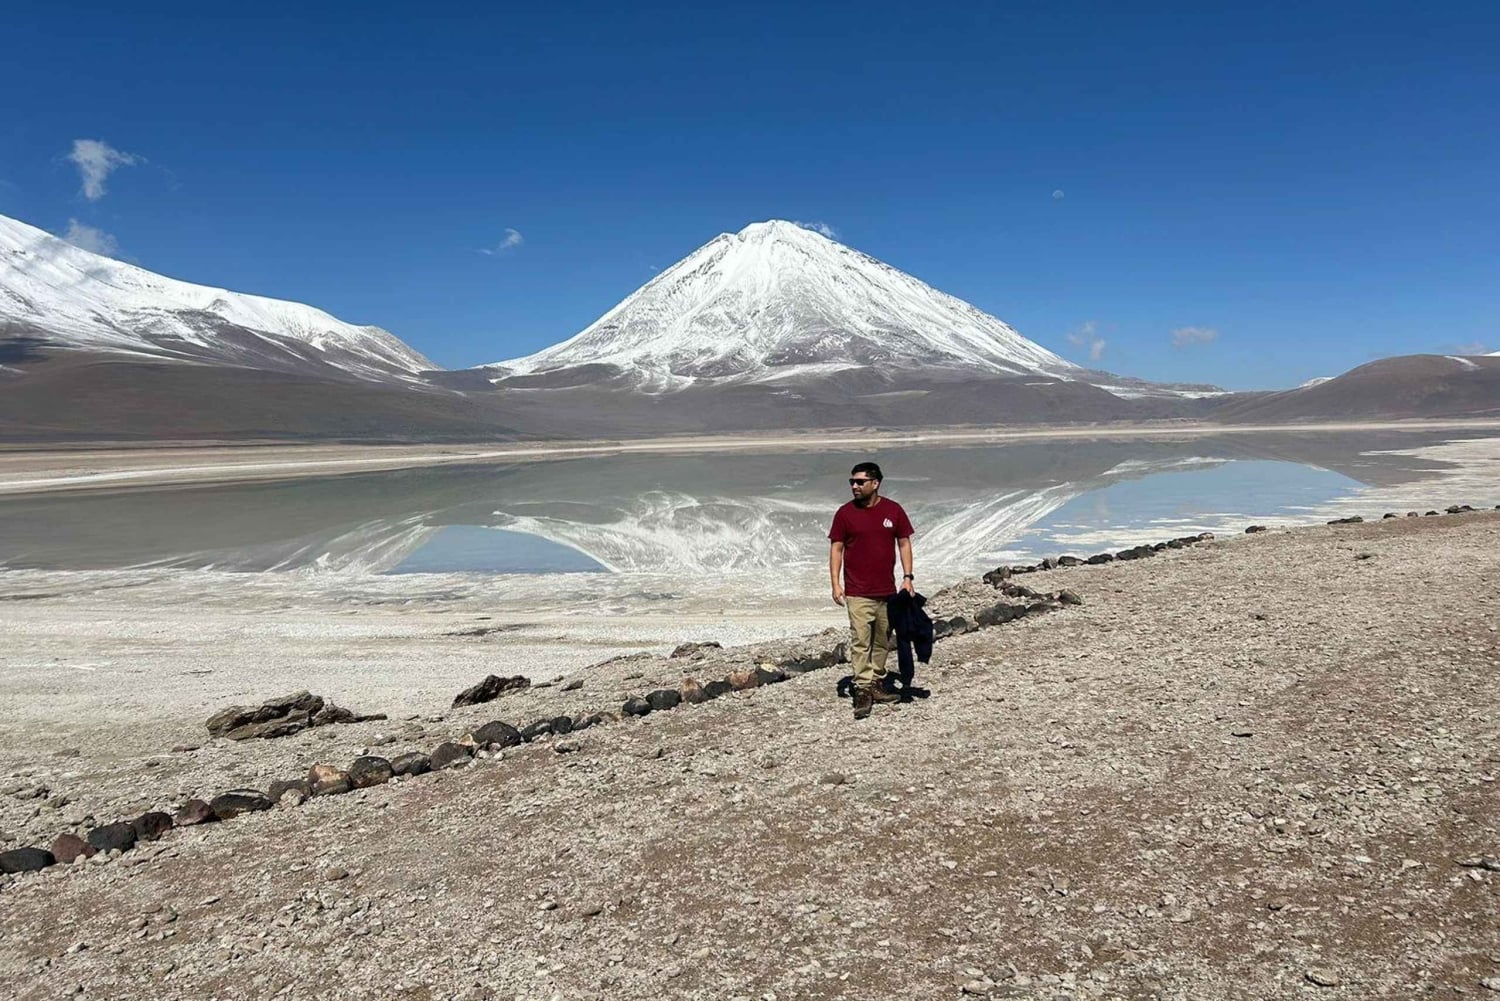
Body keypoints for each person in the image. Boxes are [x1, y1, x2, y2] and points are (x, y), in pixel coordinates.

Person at [828, 461, 915, 720]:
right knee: (860, 641)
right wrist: (835, 583)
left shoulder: (893, 510)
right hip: (857, 592)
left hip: (886, 590)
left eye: (860, 482)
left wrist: (908, 577)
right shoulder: (845, 514)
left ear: (875, 483)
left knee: (881, 640)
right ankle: (863, 689)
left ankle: (877, 682)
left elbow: (904, 543)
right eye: (852, 482)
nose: (854, 486)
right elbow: (836, 549)